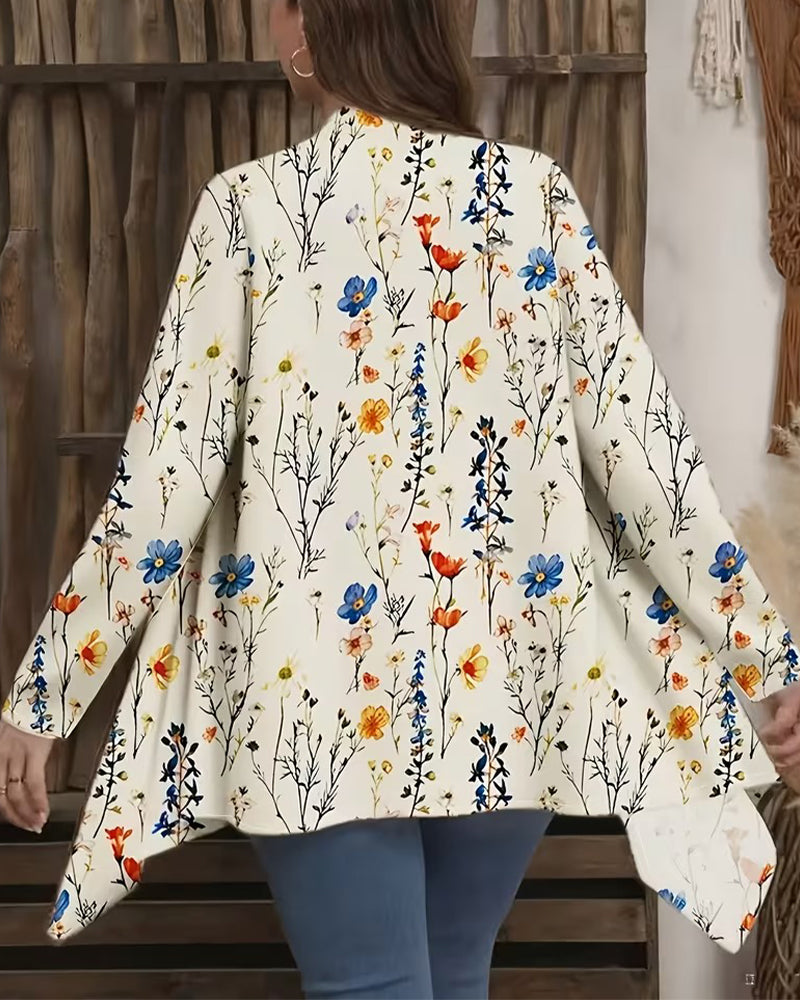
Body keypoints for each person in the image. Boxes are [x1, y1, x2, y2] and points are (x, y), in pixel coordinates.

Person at [2, 1, 800, 996]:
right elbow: (646, 463)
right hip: (505, 690)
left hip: (312, 693)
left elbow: (164, 485)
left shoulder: (251, 209)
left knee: (376, 986)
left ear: (311, 28)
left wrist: (46, 694)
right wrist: (767, 658)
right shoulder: (532, 197)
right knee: (448, 976)